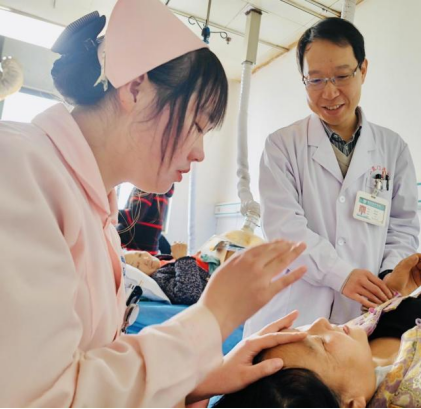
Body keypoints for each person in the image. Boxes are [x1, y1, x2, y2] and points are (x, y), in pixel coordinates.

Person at [0, 1, 308, 407]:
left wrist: (194, 381)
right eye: (197, 125)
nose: (199, 153)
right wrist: (212, 317)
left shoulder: (98, 211)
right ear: (135, 88)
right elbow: (39, 396)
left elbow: (91, 366)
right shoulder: (18, 167)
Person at [246, 18, 420, 335]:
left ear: (362, 70)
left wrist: (389, 274)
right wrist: (340, 274)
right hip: (294, 312)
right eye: (315, 80)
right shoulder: (282, 145)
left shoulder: (393, 148)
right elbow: (284, 228)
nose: (329, 92)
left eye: (341, 76)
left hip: (363, 314)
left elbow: (402, 225)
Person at [218, 255, 421, 408]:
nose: (319, 322)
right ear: (351, 404)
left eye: (301, 331)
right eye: (320, 344)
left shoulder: (356, 350)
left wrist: (395, 298)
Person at [118, 185, 176, 255]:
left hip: (132, 252)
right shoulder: (162, 191)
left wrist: (110, 212)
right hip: (148, 253)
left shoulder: (146, 185)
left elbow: (134, 216)